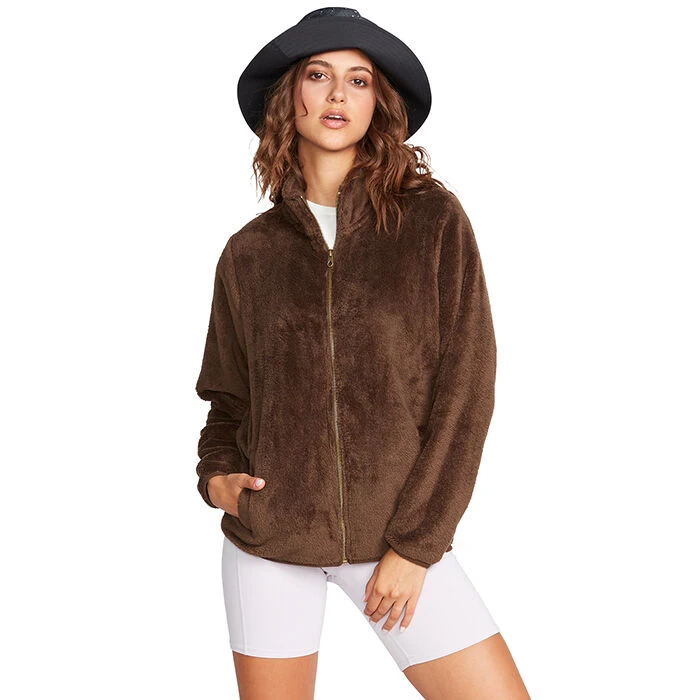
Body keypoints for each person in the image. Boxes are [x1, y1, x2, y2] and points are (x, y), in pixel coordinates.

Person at [195, 7, 530, 699]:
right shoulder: (248, 254)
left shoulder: (431, 222)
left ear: (379, 103)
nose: (338, 94)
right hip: (269, 542)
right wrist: (216, 476)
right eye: (318, 76)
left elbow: (466, 393)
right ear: (291, 96)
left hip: (398, 538)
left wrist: (415, 545)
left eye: (359, 80)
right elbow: (227, 396)